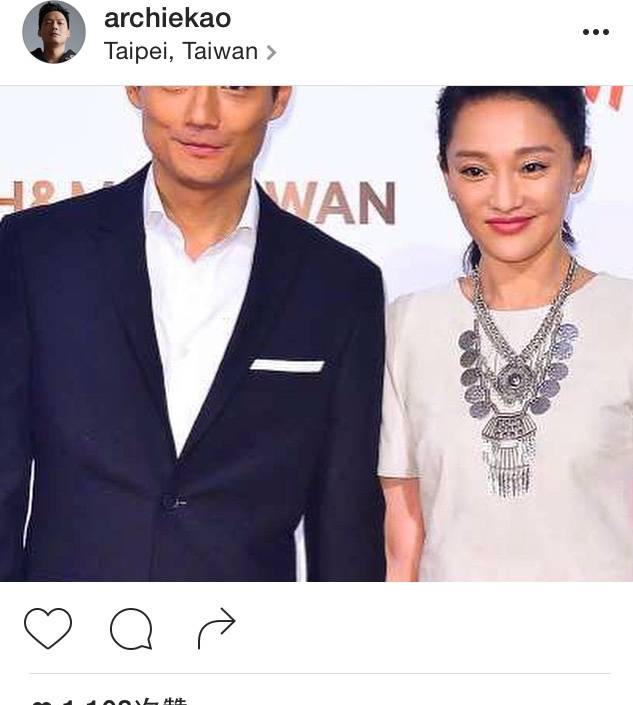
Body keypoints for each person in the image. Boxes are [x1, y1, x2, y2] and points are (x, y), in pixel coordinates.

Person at [0, 86, 385, 581]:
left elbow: (346, 523)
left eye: (235, 86)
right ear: (135, 86)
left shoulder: (340, 284)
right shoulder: (36, 251)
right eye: (177, 81)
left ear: (280, 97)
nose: (202, 115)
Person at [379, 86, 633, 581]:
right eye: (475, 171)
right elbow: (403, 541)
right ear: (447, 177)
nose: (504, 198)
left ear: (579, 167)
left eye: (532, 167)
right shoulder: (409, 324)